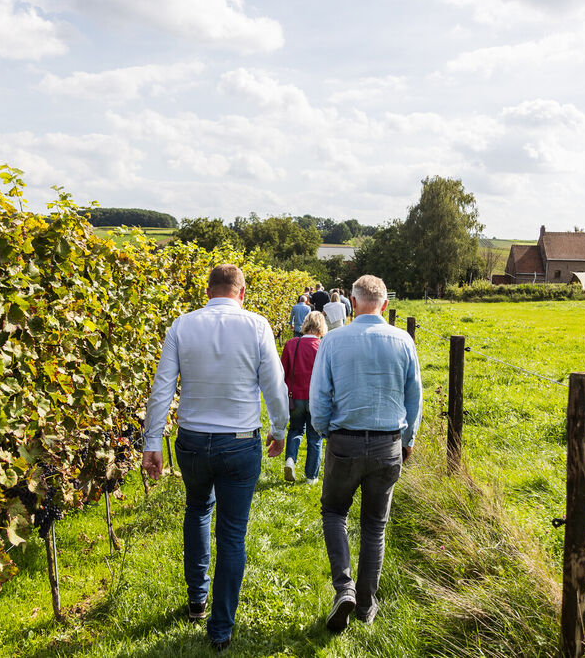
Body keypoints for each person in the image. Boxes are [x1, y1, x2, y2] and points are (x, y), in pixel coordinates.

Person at [141, 264, 289, 651]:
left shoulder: (182, 325)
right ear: (242, 292)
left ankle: (196, 600)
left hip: (191, 440)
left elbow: (162, 388)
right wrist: (280, 429)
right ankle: (221, 627)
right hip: (240, 441)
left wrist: (152, 442)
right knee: (233, 534)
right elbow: (274, 384)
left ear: (208, 291)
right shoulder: (257, 326)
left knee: (197, 511)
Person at [309, 274, 422, 632]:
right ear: (385, 304)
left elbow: (319, 395)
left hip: (345, 439)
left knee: (334, 511)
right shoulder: (403, 340)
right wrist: (408, 439)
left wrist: (325, 429)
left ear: (352, 304)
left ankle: (344, 587)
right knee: (375, 525)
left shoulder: (333, 340)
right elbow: (414, 396)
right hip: (388, 441)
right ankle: (366, 603)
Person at [280, 311, 327, 484]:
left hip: (295, 397)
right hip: (316, 399)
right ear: (321, 327)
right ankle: (311, 477)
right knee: (315, 438)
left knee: (295, 430)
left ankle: (290, 460)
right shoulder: (322, 346)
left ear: (305, 324)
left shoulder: (292, 344)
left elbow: (282, 372)